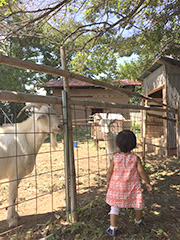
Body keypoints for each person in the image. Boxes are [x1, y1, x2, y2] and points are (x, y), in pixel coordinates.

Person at [106, 130, 152, 237]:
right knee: (137, 205)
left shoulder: (116, 158)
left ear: (117, 144)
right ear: (133, 144)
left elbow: (109, 171)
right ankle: (138, 221)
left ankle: (112, 228)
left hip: (117, 188)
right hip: (132, 188)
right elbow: (141, 171)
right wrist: (147, 183)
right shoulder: (135, 158)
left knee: (114, 207)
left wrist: (108, 181)